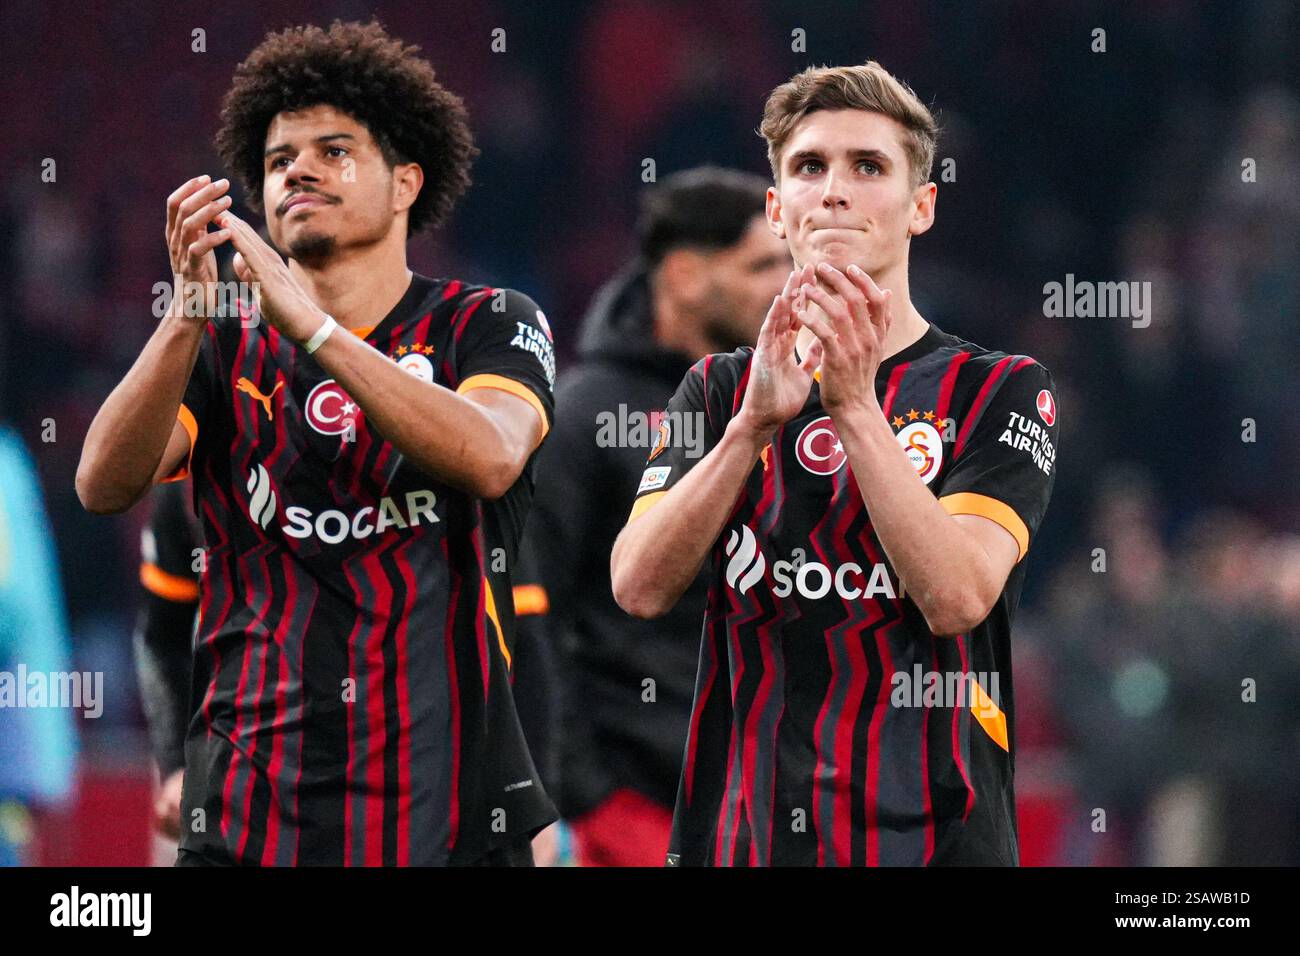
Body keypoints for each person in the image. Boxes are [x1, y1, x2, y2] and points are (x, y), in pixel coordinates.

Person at [76, 20, 557, 866]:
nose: (297, 170)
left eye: (334, 152)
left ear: (406, 182)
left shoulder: (488, 323)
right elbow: (102, 484)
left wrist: (316, 330)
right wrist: (186, 314)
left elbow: (490, 455)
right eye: (277, 161)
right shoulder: (220, 346)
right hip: (244, 823)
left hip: (446, 823)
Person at [611, 61, 1060, 866]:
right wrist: (749, 430)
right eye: (810, 166)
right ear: (777, 209)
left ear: (921, 206)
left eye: (869, 167)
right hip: (741, 841)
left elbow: (957, 596)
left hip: (934, 843)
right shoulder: (718, 391)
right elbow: (638, 585)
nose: (835, 191)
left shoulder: (999, 389)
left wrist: (853, 406)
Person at [512, 167, 789, 866]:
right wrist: (584, 796)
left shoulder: (791, 406)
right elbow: (529, 612)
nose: (787, 284)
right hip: (635, 806)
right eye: (762, 265)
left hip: (768, 793)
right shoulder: (584, 416)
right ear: (687, 276)